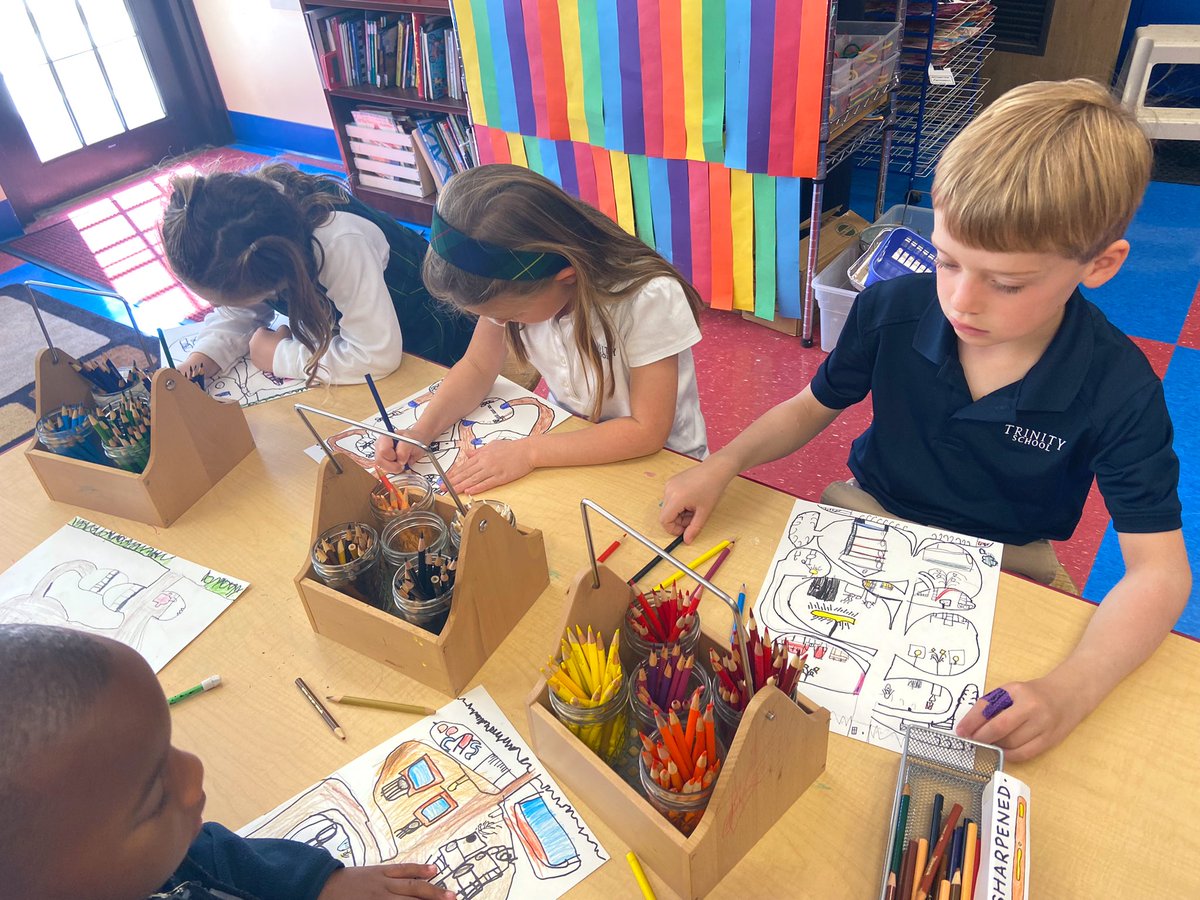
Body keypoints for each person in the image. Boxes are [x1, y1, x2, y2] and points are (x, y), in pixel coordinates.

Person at [658, 79, 1190, 762]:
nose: (961, 301)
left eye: (1006, 282)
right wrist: (723, 462)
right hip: (872, 516)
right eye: (946, 259)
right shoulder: (894, 308)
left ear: (1101, 264)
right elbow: (809, 407)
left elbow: (1160, 573)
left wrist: (1070, 691)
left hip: (1008, 564)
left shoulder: (1119, 385)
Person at [0, 624, 456, 900]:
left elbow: (205, 857)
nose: (193, 770)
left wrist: (312, 881)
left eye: (169, 748)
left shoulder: (141, 860)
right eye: (156, 795)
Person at [374, 164, 708, 493]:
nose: (501, 324)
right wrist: (420, 431)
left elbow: (646, 431)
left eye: (510, 315)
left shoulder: (648, 299)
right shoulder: (510, 284)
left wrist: (529, 452)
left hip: (665, 467)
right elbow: (477, 367)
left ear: (567, 277)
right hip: (569, 444)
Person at [160, 164, 474, 385]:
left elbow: (377, 356)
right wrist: (200, 360)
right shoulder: (247, 229)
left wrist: (278, 356)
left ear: (273, 268)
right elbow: (238, 312)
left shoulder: (338, 241)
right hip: (361, 327)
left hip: (429, 330)